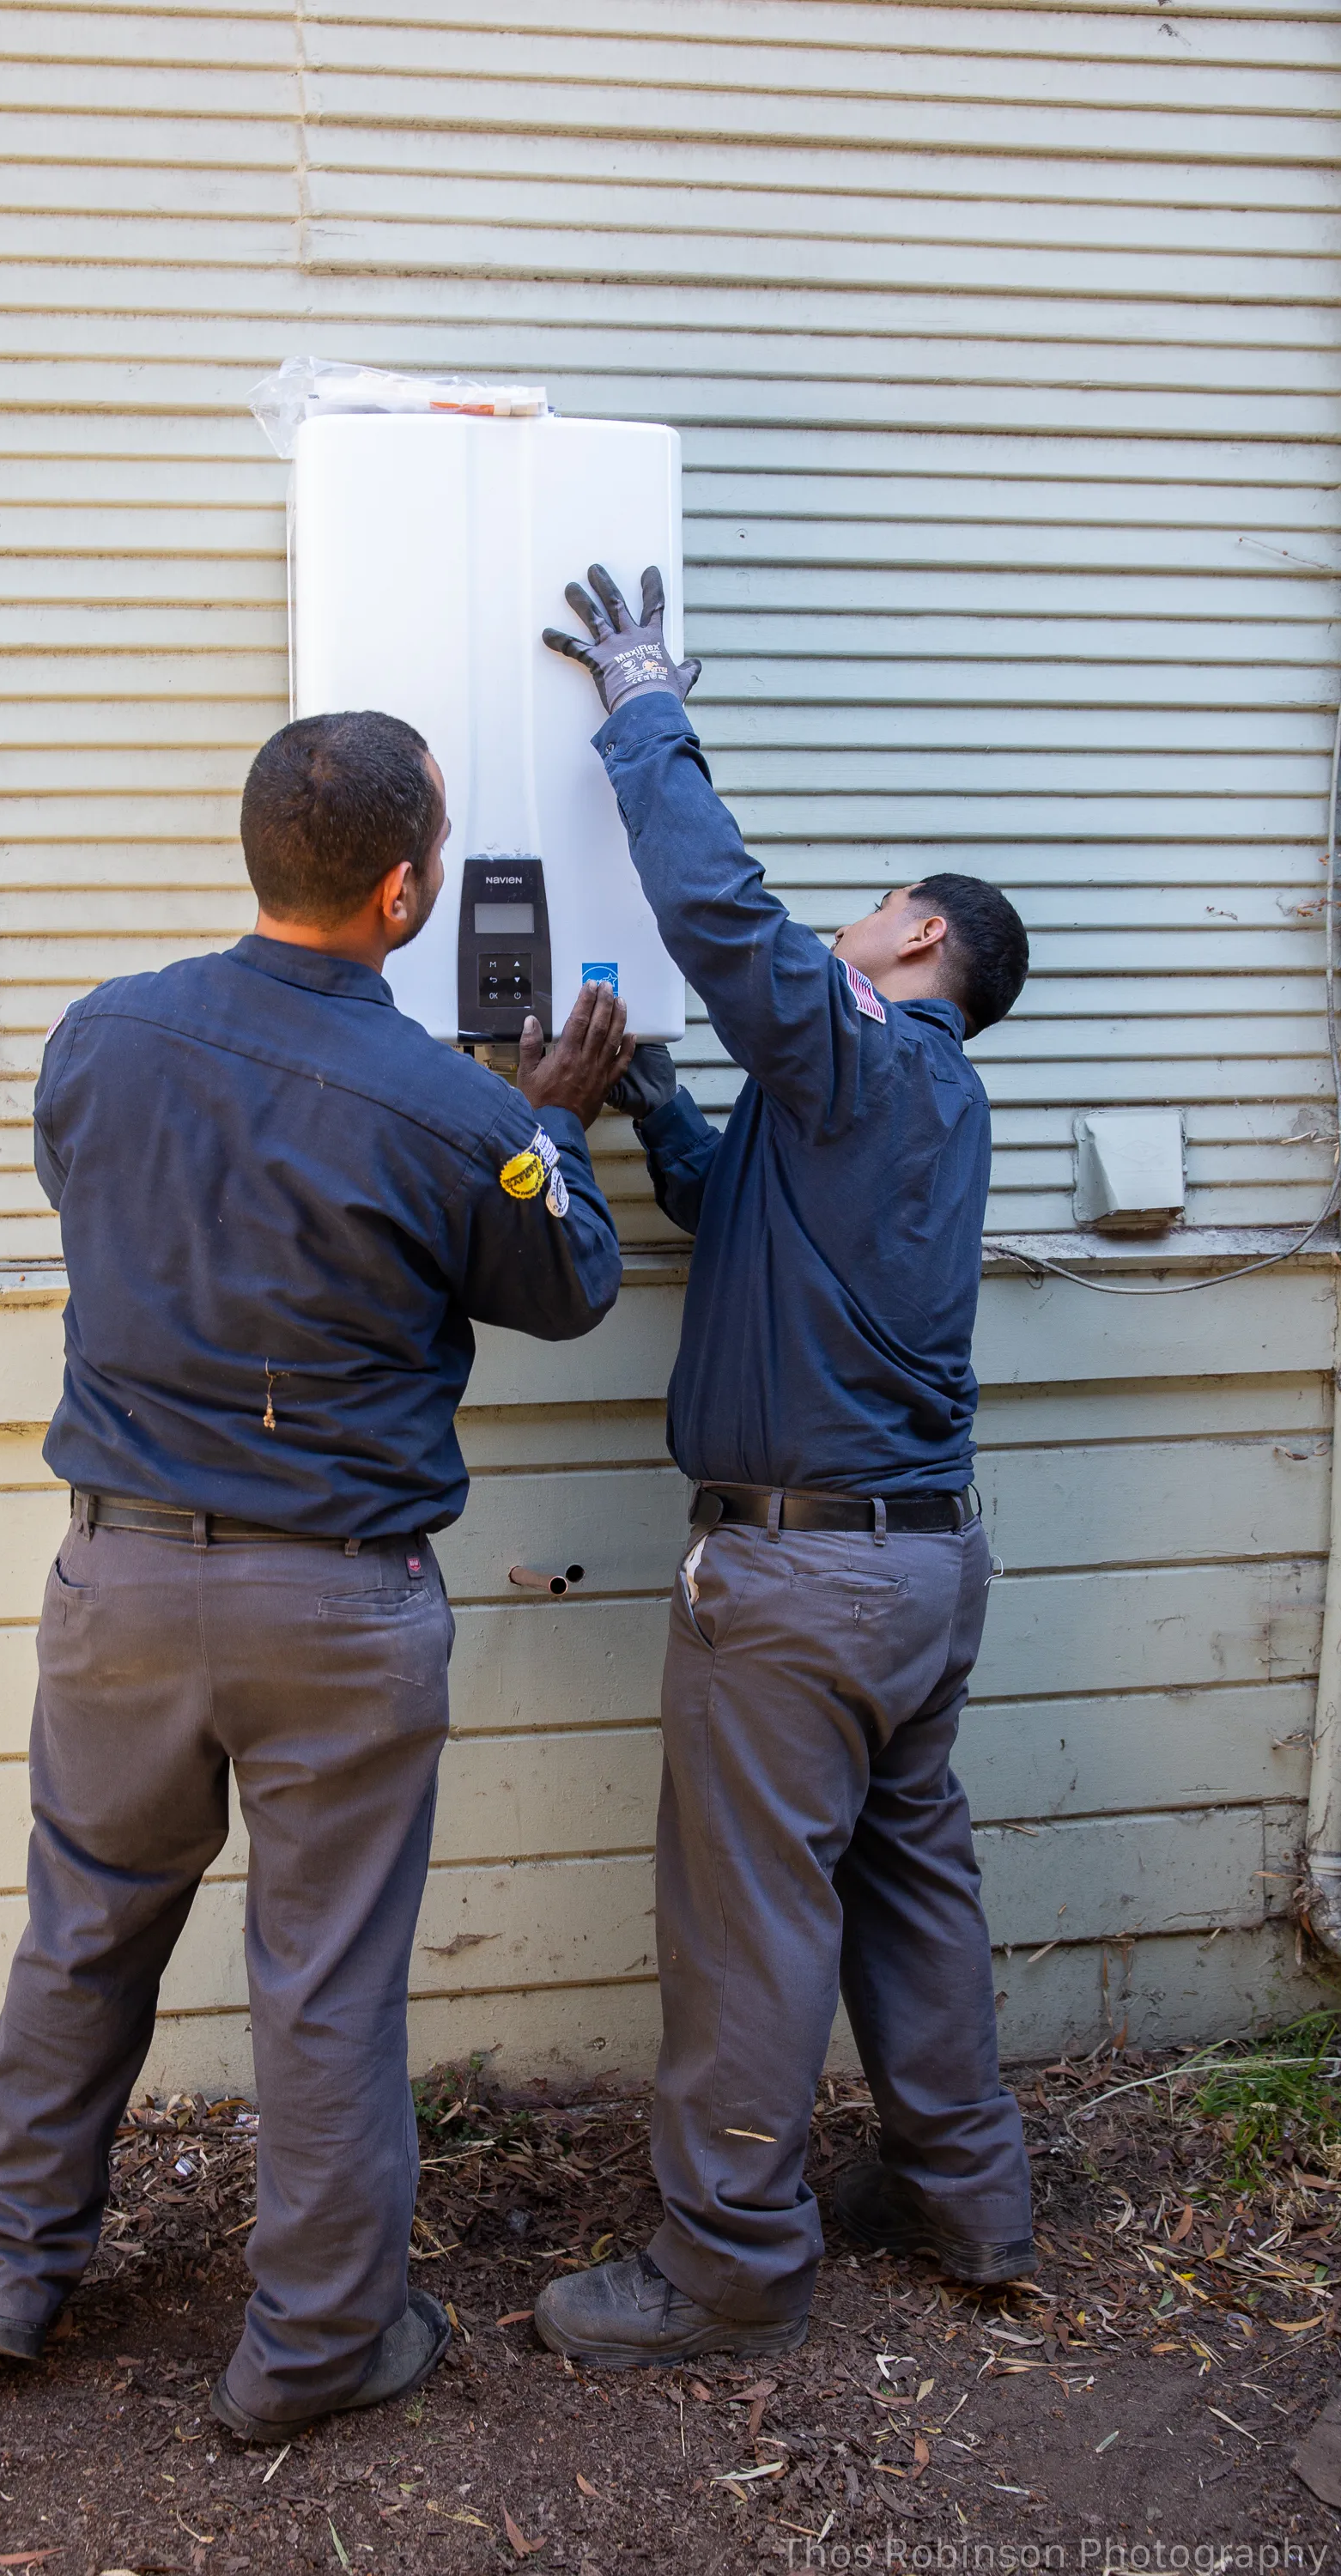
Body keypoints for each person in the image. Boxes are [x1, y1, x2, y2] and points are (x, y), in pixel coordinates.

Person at [0, 708, 633, 2438]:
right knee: (322, 1984)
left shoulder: (101, 1036)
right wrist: (547, 1124)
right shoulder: (456, 1113)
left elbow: (88, 1192)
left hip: (119, 1580)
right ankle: (317, 2346)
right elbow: (567, 1287)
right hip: (337, 1605)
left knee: (83, 1932)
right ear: (402, 892)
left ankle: (6, 2277)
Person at [532, 567, 1035, 2366]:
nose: (853, 916)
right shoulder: (911, 1104)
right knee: (910, 1884)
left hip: (803, 1581)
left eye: (880, 903)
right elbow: (737, 1208)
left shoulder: (865, 1054)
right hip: (920, 1572)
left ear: (917, 939)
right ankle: (967, 2195)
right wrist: (645, 1103)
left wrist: (643, 706)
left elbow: (724, 916)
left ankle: (729, 2267)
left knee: (750, 1919)